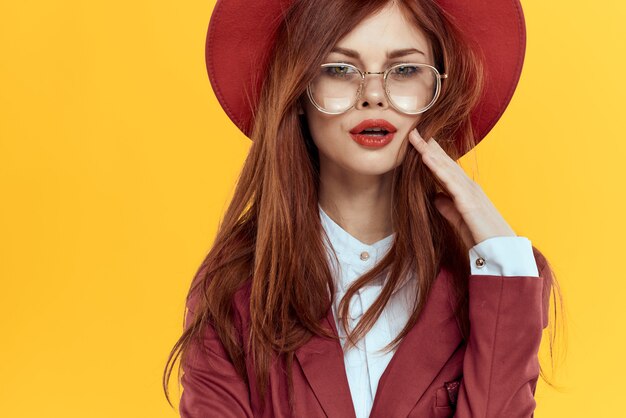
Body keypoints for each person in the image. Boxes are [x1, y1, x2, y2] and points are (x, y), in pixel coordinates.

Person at [163, 0, 565, 416]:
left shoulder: (501, 278)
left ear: (437, 91)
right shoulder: (234, 288)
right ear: (298, 90)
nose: (373, 95)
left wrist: (502, 261)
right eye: (339, 69)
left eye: (406, 70)